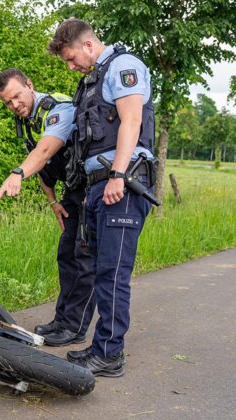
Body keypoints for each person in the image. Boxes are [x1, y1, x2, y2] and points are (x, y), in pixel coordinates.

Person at [47, 18, 156, 377]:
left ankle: (110, 354)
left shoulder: (124, 66)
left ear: (88, 45)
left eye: (70, 58)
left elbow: (131, 122)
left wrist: (118, 175)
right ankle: (99, 346)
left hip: (121, 185)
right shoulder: (93, 79)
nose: (71, 65)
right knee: (97, 269)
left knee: (112, 273)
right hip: (98, 186)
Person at [0, 68, 95, 347]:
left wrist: (17, 174)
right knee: (66, 255)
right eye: (7, 102)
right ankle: (62, 320)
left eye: (16, 96)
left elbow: (46, 151)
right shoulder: (28, 119)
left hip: (91, 189)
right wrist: (53, 202)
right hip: (73, 191)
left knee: (84, 257)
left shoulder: (57, 108)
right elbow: (42, 164)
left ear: (30, 85)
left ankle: (75, 327)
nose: (14, 105)